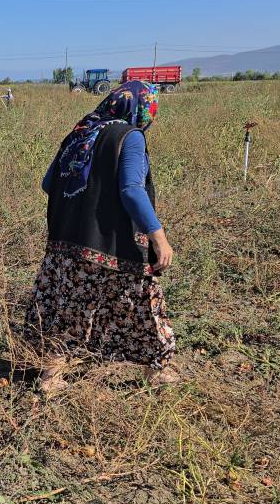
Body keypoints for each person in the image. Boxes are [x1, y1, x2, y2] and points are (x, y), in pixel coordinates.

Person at [26, 80, 177, 392]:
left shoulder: (80, 133)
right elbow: (132, 190)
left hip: (66, 241)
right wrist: (158, 236)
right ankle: (159, 371)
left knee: (69, 307)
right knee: (143, 304)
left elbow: (47, 184)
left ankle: (50, 377)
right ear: (141, 107)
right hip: (112, 243)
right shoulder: (129, 137)